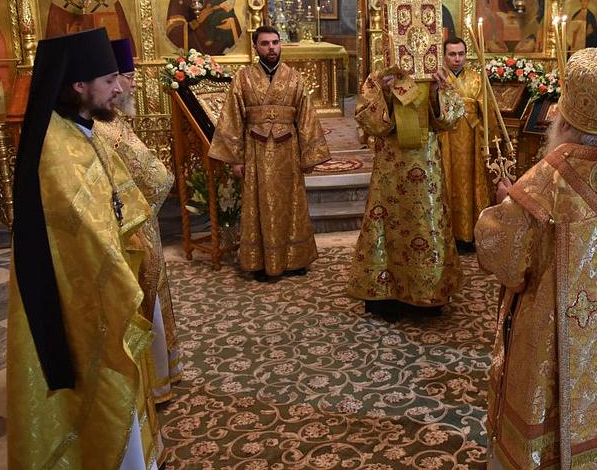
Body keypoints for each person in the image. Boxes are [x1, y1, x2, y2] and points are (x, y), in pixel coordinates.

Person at [476, 48, 597, 469]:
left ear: (563, 117)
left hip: (549, 327)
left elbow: (503, 255)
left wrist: (503, 202)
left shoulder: (545, 181)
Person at [7, 27, 160, 468]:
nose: (119, 89)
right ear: (78, 85)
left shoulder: (81, 129)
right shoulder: (55, 149)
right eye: (109, 80)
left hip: (98, 283)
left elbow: (120, 196)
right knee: (99, 388)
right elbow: (85, 233)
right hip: (80, 296)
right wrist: (125, 276)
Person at [94, 39, 182, 402]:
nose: (129, 85)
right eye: (125, 77)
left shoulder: (113, 120)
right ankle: (152, 380)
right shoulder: (104, 128)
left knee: (154, 296)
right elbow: (152, 177)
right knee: (143, 303)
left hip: (141, 220)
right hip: (130, 228)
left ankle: (161, 374)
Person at [209, 25, 330, 280]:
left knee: (292, 204)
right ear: (256, 47)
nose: (271, 48)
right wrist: (235, 159)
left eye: (275, 42)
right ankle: (261, 262)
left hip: (289, 152)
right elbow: (232, 118)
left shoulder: (295, 78)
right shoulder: (243, 78)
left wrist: (309, 155)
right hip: (255, 153)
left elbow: (306, 117)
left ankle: (295, 260)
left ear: (280, 44)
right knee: (258, 205)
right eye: (265, 44)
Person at [349, 60, 465, 319]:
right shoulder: (378, 75)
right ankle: (387, 295)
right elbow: (369, 122)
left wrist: (437, 92)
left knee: (427, 223)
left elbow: (452, 118)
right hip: (391, 166)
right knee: (389, 222)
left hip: (427, 165)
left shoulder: (435, 72)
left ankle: (430, 293)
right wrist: (385, 93)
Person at [435, 37, 490, 250]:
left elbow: (487, 112)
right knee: (447, 182)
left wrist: (488, 140)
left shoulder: (477, 78)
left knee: (471, 183)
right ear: (444, 56)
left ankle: (471, 234)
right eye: (452, 54)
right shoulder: (437, 79)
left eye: (461, 54)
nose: (457, 59)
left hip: (471, 140)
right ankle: (449, 237)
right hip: (446, 138)